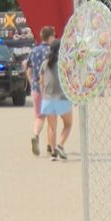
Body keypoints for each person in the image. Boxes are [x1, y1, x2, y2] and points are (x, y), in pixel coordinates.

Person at [39, 40, 71, 161]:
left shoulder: (45, 63)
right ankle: (60, 145)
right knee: (68, 124)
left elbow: (41, 81)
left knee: (52, 127)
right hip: (62, 98)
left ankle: (53, 153)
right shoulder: (64, 64)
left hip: (48, 99)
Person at [26, 26, 55, 156]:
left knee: (39, 117)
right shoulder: (52, 51)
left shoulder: (34, 51)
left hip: (37, 88)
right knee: (51, 118)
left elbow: (28, 70)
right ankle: (50, 146)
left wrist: (32, 83)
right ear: (50, 37)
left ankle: (36, 135)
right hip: (50, 89)